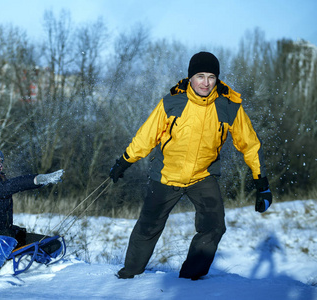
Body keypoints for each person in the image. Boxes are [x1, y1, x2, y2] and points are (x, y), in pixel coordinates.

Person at [109, 52, 273, 280]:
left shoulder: (229, 106)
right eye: (200, 76)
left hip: (202, 176)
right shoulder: (172, 102)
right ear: (190, 78)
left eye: (211, 77)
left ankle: (190, 280)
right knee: (148, 228)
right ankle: (130, 275)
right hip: (167, 174)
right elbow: (146, 137)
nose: (205, 82)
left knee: (214, 226)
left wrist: (261, 182)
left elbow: (250, 144)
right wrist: (124, 161)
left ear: (217, 79)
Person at [0, 138, 64, 279]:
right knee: (5, 235)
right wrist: (36, 180)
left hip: (6, 238)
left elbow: (6, 187)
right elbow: (9, 186)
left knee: (52, 244)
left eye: (1, 161)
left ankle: (34, 268)